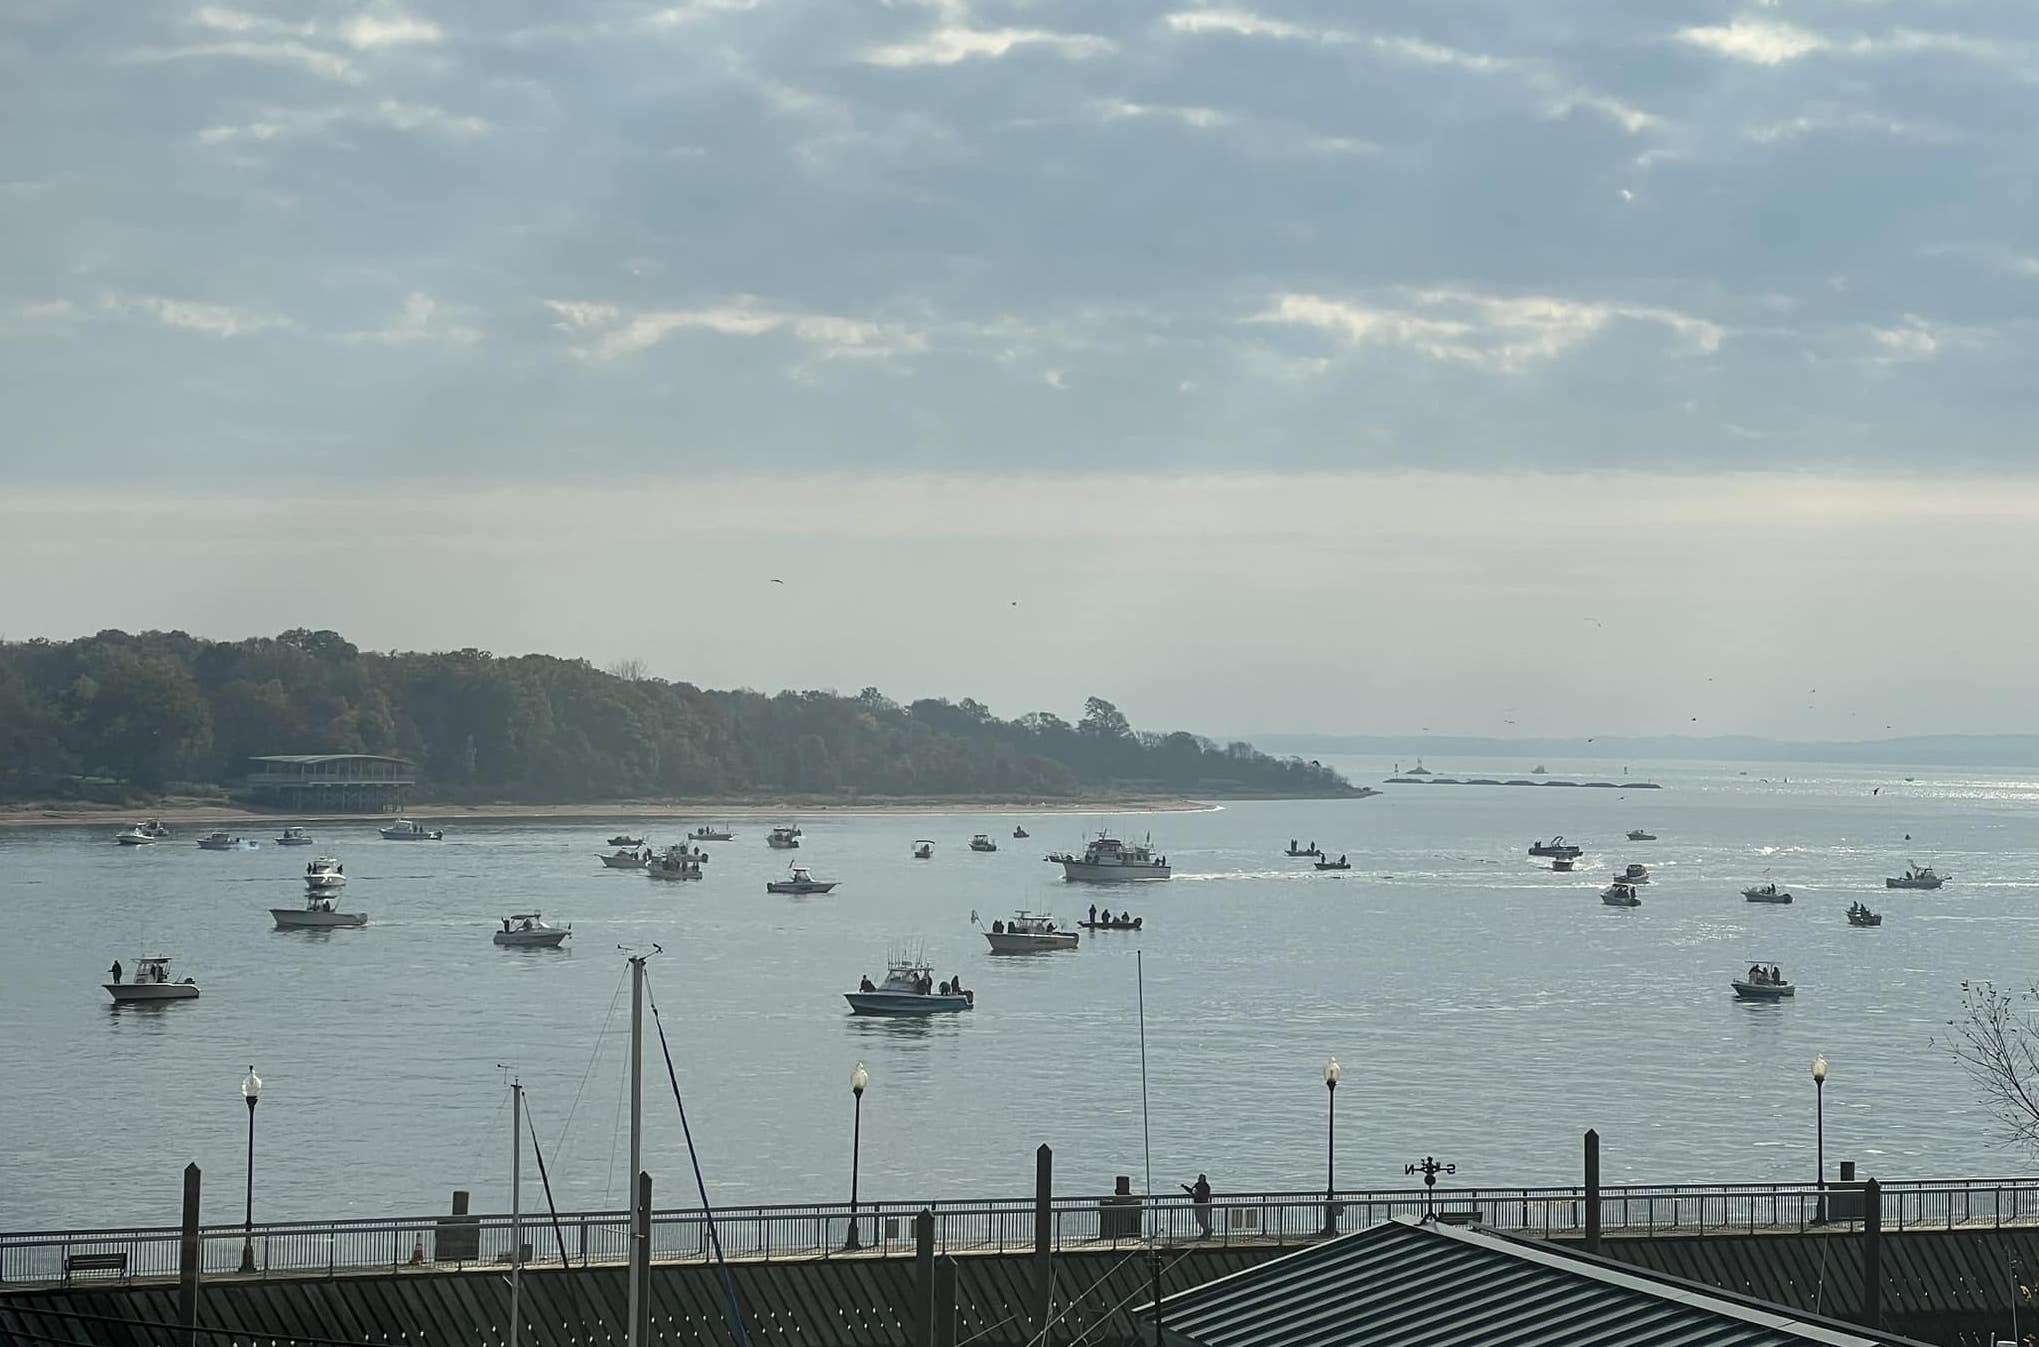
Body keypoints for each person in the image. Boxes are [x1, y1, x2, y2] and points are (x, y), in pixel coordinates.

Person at [1181, 1173, 1214, 1238]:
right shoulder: (1197, 1185)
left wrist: (1197, 1195)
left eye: (1201, 1178)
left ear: (1204, 1179)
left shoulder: (1206, 1186)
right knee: (1200, 1219)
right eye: (1199, 1178)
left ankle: (1208, 1230)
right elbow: (1192, 1191)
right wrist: (1185, 1187)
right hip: (1198, 1204)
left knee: (1202, 1219)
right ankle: (1206, 1231)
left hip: (1203, 1205)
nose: (1199, 1179)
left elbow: (1204, 1196)